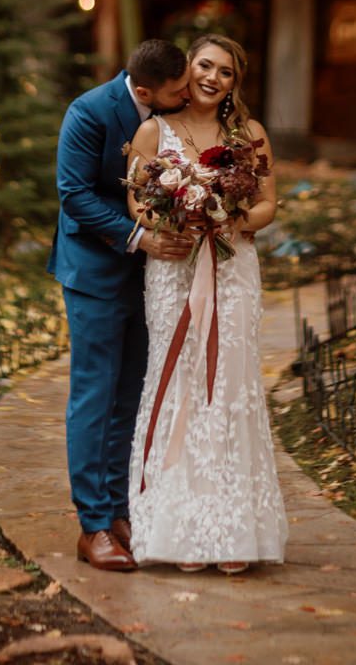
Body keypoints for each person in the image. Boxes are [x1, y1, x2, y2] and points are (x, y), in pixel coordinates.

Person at [126, 34, 288, 573]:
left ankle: (231, 529)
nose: (212, 77)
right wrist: (171, 218)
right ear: (187, 67)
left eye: (226, 72)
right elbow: (136, 199)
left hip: (232, 268)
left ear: (235, 84)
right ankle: (179, 528)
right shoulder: (153, 130)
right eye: (204, 65)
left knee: (229, 387)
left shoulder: (249, 134)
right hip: (173, 269)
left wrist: (231, 219)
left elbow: (267, 203)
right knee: (178, 384)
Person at [50, 39, 194, 573]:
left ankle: (116, 512)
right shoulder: (88, 112)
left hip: (148, 277)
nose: (186, 97)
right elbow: (75, 195)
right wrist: (141, 237)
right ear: (142, 90)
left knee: (130, 395)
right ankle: (91, 527)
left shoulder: (165, 116)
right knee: (94, 395)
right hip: (95, 272)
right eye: (177, 90)